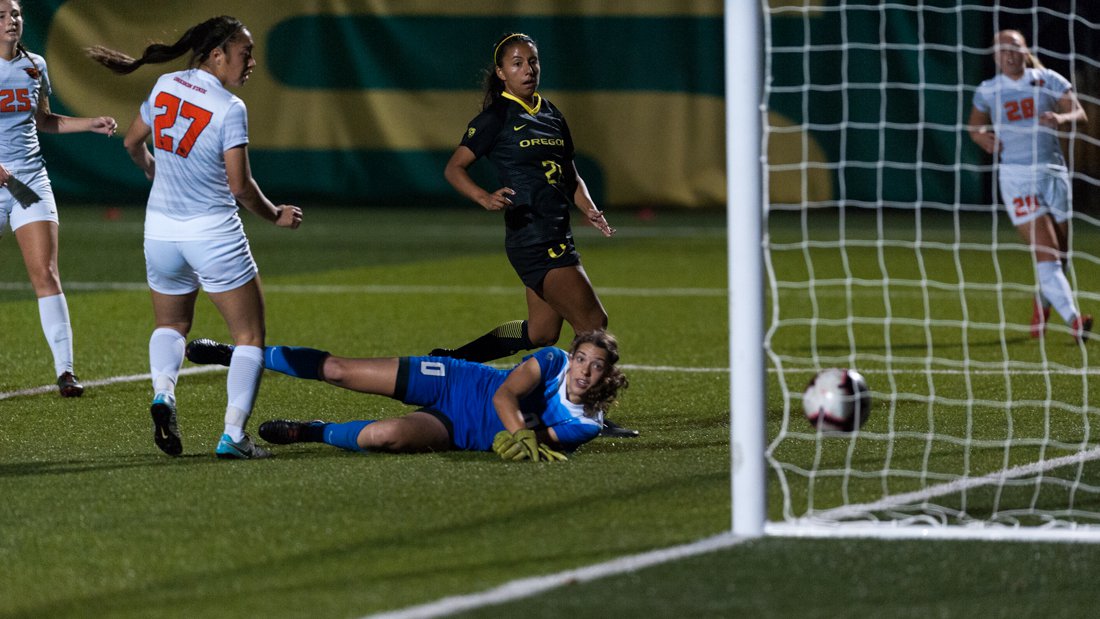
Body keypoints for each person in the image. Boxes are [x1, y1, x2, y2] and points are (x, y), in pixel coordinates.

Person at [87, 16, 303, 459]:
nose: (252, 62)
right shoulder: (229, 107)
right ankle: (233, 437)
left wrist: (153, 169)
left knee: (170, 326)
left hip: (161, 232)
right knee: (248, 337)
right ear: (217, 54)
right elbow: (240, 187)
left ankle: (164, 395)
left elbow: (132, 142)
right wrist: (276, 215)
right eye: (245, 53)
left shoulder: (166, 84)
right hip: (213, 233)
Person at [435, 32, 637, 437]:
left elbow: (570, 172)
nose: (527, 69)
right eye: (516, 63)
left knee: (542, 332)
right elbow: (454, 168)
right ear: (501, 72)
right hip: (532, 237)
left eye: (532, 62)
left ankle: (457, 359)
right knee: (593, 323)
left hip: (557, 232)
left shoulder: (552, 114)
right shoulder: (495, 118)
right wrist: (482, 196)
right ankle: (583, 412)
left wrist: (588, 206)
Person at [183, 330, 628, 460]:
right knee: (339, 370)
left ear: (607, 374)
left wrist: (515, 442)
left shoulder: (586, 425)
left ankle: (314, 432)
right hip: (454, 381)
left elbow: (543, 440)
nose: (585, 370)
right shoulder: (551, 359)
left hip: (460, 431)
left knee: (385, 437)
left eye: (597, 365)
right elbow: (505, 397)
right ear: (571, 357)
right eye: (582, 358)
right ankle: (235, 353)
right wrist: (519, 434)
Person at [0, 0, 118, 396]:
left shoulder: (34, 65)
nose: (10, 21)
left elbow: (43, 120)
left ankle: (66, 372)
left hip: (28, 182)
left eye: (14, 13)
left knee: (46, 273)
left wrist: (90, 123)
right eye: (0, 15)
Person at [968, 29, 1091, 342]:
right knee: (1047, 253)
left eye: (1015, 48)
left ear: (1025, 51)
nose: (1009, 55)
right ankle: (1075, 321)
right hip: (1016, 178)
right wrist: (982, 136)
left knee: (1061, 256)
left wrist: (1061, 120)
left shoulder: (1047, 78)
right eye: (1002, 50)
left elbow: (1080, 112)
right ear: (995, 56)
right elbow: (975, 126)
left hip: (1054, 174)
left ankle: (1042, 303)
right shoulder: (988, 90)